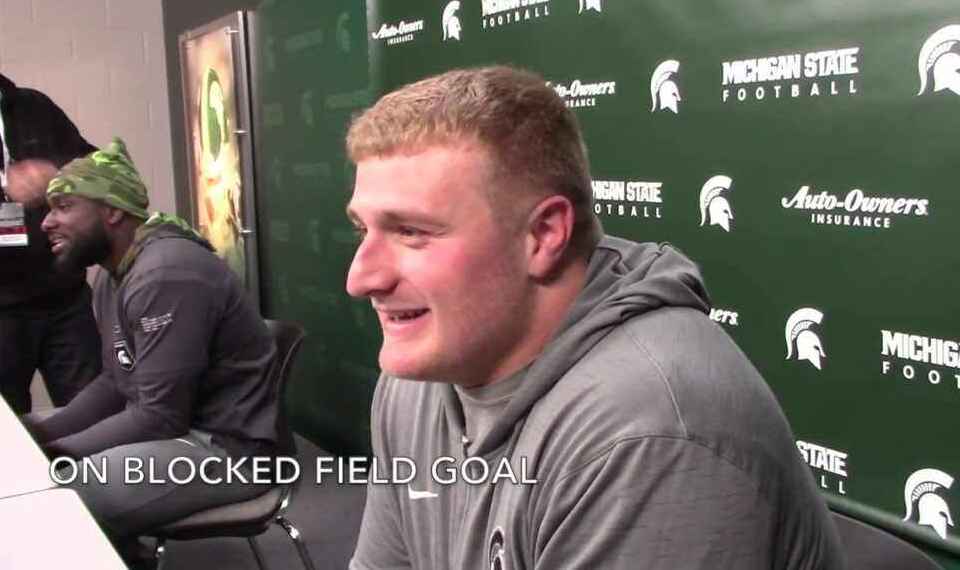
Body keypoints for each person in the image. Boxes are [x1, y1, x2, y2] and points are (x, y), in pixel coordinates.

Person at [344, 65, 846, 569]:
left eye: (411, 232)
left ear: (542, 236)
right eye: (362, 230)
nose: (361, 278)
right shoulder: (417, 378)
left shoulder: (648, 430)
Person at [29, 138, 280, 554]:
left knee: (51, 494)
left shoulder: (165, 273)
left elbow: (160, 416)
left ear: (112, 210)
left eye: (64, 207)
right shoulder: (113, 275)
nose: (46, 223)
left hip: (227, 451)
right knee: (33, 447)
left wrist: (55, 452)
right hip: (177, 432)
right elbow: (115, 381)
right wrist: (44, 431)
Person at [0, 8, 101, 414]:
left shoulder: (32, 106)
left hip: (63, 297)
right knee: (3, 432)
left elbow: (98, 167)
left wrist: (52, 171)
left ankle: (98, 481)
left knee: (92, 418)